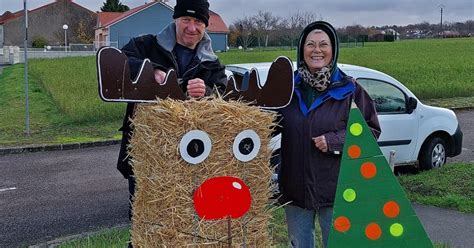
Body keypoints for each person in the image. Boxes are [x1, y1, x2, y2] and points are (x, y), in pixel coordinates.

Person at [116, 0, 227, 223]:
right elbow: (117, 60)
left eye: (198, 22)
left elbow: (223, 95)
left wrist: (206, 92)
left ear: (205, 26)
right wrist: (150, 70)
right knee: (145, 222)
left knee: (185, 222)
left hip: (192, 157)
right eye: (186, 19)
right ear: (175, 19)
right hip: (147, 154)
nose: (191, 27)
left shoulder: (212, 64)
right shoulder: (146, 45)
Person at [277, 21, 381, 247]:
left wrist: (335, 141)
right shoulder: (287, 89)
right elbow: (267, 123)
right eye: (310, 44)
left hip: (336, 192)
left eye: (323, 44)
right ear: (301, 50)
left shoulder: (349, 90)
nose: (316, 50)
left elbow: (371, 132)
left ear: (333, 50)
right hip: (295, 190)